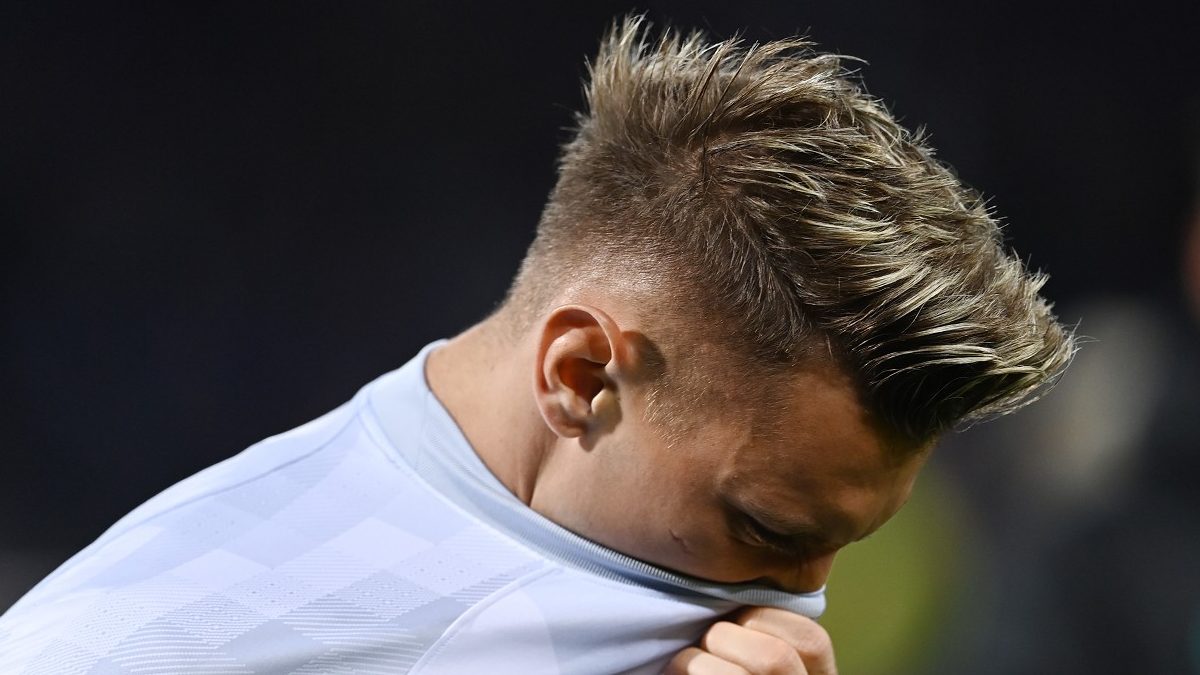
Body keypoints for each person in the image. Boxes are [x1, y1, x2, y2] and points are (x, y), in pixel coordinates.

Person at [0, 16, 1074, 674]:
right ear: (583, 376)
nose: (800, 601)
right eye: (761, 527)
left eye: (852, 543)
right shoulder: (140, 643)